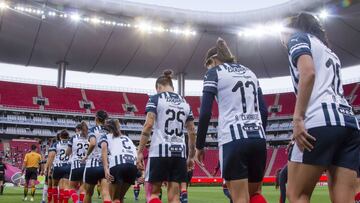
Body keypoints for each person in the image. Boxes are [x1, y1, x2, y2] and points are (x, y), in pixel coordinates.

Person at [281, 12, 360, 203]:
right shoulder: (328, 50)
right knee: (345, 199)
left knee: (297, 194)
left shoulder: (297, 38)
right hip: (349, 122)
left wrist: (298, 118)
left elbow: (308, 73)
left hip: (319, 120)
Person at [195, 38, 268, 203]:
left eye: (208, 65)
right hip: (258, 138)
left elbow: (205, 112)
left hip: (233, 139)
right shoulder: (250, 72)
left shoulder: (214, 73)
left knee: (240, 198)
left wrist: (199, 146)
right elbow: (264, 111)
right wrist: (259, 134)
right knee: (255, 194)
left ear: (212, 60)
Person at [137, 70, 197, 203]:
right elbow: (192, 131)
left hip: (160, 151)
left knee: (153, 194)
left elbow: (148, 125)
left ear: (159, 87)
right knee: (175, 197)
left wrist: (140, 151)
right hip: (179, 153)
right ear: (172, 86)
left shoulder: (156, 98)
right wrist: (191, 156)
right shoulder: (185, 102)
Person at [100, 119, 138, 203]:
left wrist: (106, 169)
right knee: (120, 198)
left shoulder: (106, 137)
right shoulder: (127, 138)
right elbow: (136, 152)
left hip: (118, 165)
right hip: (132, 166)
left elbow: (104, 151)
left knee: (115, 199)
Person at [82, 110, 111, 203]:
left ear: (96, 118)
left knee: (88, 193)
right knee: (106, 193)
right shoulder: (110, 130)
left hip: (92, 165)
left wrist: (86, 155)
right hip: (106, 165)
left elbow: (93, 143)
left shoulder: (93, 129)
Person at [66, 121, 89, 203]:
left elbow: (67, 153)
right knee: (83, 187)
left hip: (76, 165)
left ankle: (76, 201)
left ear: (77, 129)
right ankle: (81, 201)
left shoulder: (74, 138)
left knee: (71, 187)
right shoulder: (90, 137)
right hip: (87, 166)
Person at [45, 130, 71, 203]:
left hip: (58, 167)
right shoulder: (70, 144)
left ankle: (55, 201)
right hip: (68, 166)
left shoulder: (56, 144)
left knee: (55, 186)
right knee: (66, 187)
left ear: (60, 136)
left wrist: (49, 168)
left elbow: (52, 156)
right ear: (68, 136)